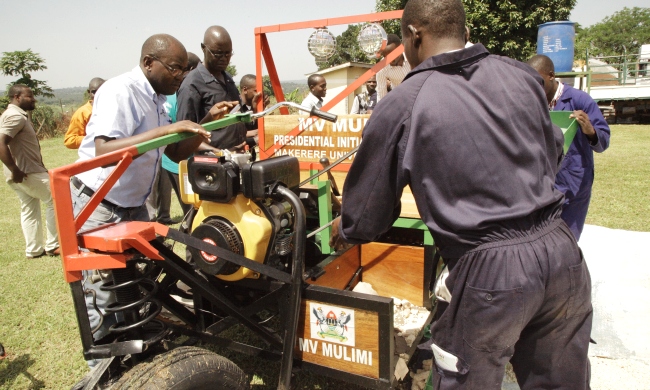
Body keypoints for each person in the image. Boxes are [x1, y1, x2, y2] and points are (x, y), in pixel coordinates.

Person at [329, 0, 592, 388]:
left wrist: (344, 229)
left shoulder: (405, 101)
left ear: (413, 35)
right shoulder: (520, 75)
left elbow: (369, 212)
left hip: (492, 274)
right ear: (464, 32)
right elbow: (551, 150)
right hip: (563, 254)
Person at [72, 34, 234, 366]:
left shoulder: (158, 98)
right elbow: (103, 152)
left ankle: (134, 348)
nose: (180, 75)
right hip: (99, 204)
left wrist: (203, 125)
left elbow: (173, 150)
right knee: (102, 287)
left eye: (184, 69)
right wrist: (163, 132)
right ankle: (104, 368)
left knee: (136, 279)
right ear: (149, 62)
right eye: (175, 68)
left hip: (132, 204)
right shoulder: (121, 92)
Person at [527, 54, 611, 241]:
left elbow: (603, 141)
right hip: (541, 186)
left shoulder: (579, 100)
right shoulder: (531, 102)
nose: (535, 88)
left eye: (539, 82)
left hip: (573, 184)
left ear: (551, 76)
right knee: (541, 240)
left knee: (568, 240)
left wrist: (590, 130)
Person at [0, 84, 59, 259]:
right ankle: (54, 245)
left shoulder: (11, 114)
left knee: (29, 208)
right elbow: (1, 142)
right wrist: (14, 169)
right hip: (27, 172)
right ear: (17, 97)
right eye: (29, 96)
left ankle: (34, 249)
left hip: (19, 173)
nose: (33, 99)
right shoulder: (15, 117)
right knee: (56, 199)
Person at [177, 26, 248, 153]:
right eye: (218, 53)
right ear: (203, 48)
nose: (224, 58)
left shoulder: (227, 78)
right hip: (211, 165)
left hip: (236, 159)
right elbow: (185, 139)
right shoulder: (192, 85)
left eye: (228, 53)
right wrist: (221, 154)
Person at [156, 51, 203, 224]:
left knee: (189, 212)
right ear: (188, 70)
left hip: (170, 162)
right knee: (192, 213)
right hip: (181, 164)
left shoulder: (170, 95)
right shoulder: (183, 95)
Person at [63, 78, 105, 149]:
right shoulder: (83, 112)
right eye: (94, 92)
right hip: (93, 155)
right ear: (89, 92)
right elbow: (69, 140)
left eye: (101, 91)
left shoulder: (114, 107)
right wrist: (94, 139)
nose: (97, 95)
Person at [239, 74, 269, 161]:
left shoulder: (255, 106)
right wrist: (257, 133)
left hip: (251, 157)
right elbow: (236, 135)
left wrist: (259, 110)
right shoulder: (236, 107)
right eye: (256, 91)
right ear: (245, 90)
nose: (259, 94)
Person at [376, 34, 411, 101]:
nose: (391, 59)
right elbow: (381, 97)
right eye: (386, 57)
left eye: (393, 55)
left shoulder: (412, 56)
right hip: (400, 100)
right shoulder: (381, 68)